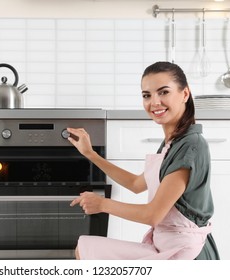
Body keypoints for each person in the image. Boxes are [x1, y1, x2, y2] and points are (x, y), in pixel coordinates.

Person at [67, 61, 220, 260]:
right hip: (165, 246)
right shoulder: (173, 143)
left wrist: (102, 204)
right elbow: (136, 184)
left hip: (186, 254)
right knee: (86, 249)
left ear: (184, 94)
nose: (154, 102)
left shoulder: (190, 146)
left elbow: (153, 214)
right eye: (147, 95)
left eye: (163, 92)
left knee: (87, 251)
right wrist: (90, 154)